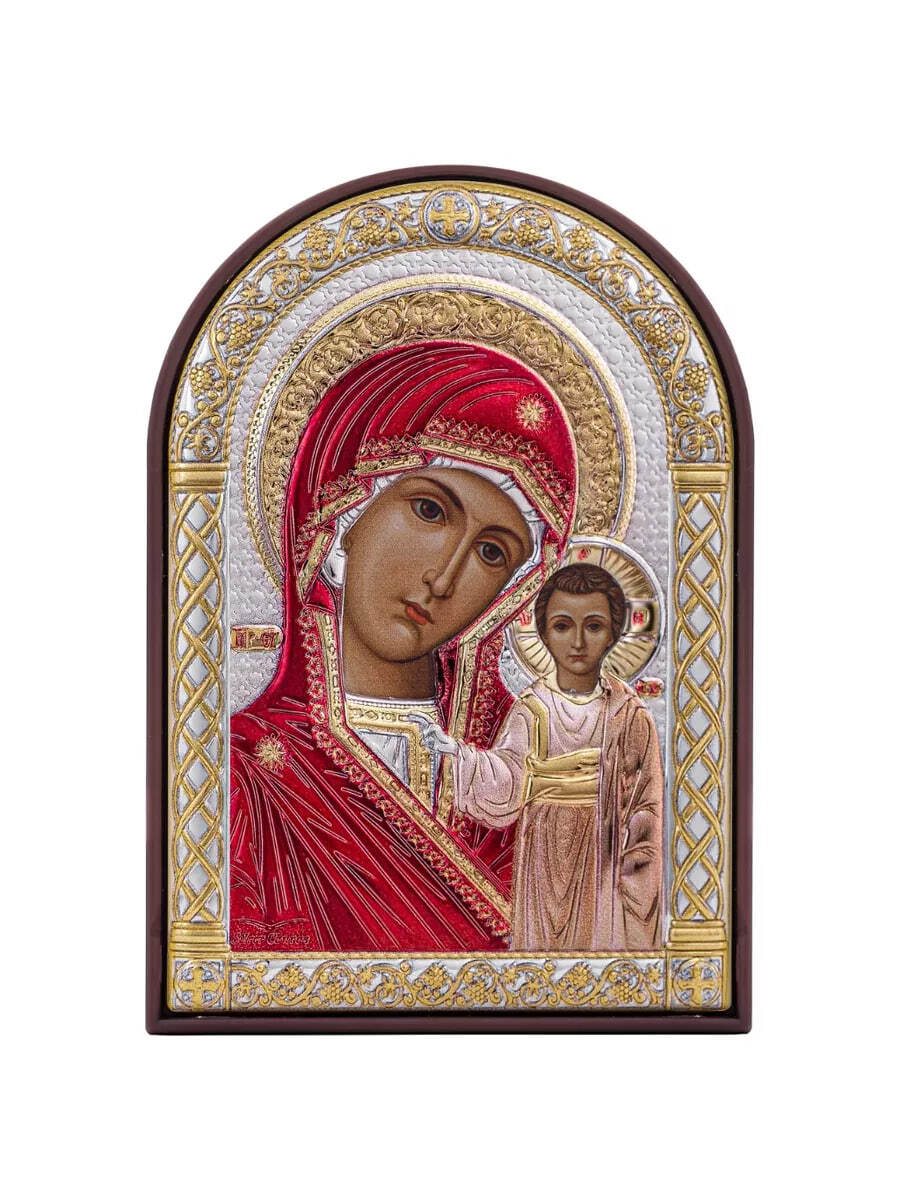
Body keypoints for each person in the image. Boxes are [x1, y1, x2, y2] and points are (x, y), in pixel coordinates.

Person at [228, 341, 579, 953]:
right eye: (429, 510)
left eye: (491, 552)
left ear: (512, 591)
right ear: (344, 510)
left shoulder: (525, 768)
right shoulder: (248, 774)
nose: (443, 579)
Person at [414, 563, 664, 951]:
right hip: (544, 848)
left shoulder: (629, 716)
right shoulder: (532, 709)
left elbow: (646, 810)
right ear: (544, 634)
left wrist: (634, 881)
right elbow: (508, 779)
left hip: (604, 853)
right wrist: (455, 752)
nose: (578, 642)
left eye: (593, 626)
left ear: (615, 632)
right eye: (563, 626)